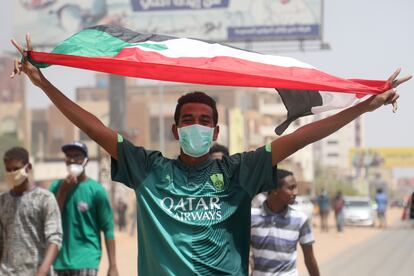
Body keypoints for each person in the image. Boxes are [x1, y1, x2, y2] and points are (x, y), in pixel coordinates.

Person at [11, 35, 410, 275]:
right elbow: (94, 126)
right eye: (188, 119)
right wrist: (42, 82)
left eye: (204, 120)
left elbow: (305, 135)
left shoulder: (240, 171)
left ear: (216, 131)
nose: (196, 125)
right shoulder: (148, 168)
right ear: (176, 129)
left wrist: (363, 105)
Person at [48, 142, 118, 276]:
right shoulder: (56, 188)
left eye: (77, 156)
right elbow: (51, 221)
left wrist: (113, 266)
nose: (73, 160)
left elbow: (108, 229)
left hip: (87, 259)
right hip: (59, 261)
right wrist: (62, 192)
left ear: (86, 161)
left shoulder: (97, 191)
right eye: (69, 156)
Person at [0, 147, 62, 276]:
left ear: (28, 168)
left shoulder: (45, 199)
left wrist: (42, 271)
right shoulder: (2, 201)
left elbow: (54, 239)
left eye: (16, 169)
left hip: (37, 271)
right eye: (8, 169)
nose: (12, 173)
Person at [250, 169, 320, 276]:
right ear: (274, 190)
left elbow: (309, 259)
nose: (295, 192)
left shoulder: (300, 219)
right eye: (290, 188)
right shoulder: (251, 217)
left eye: (295, 187)